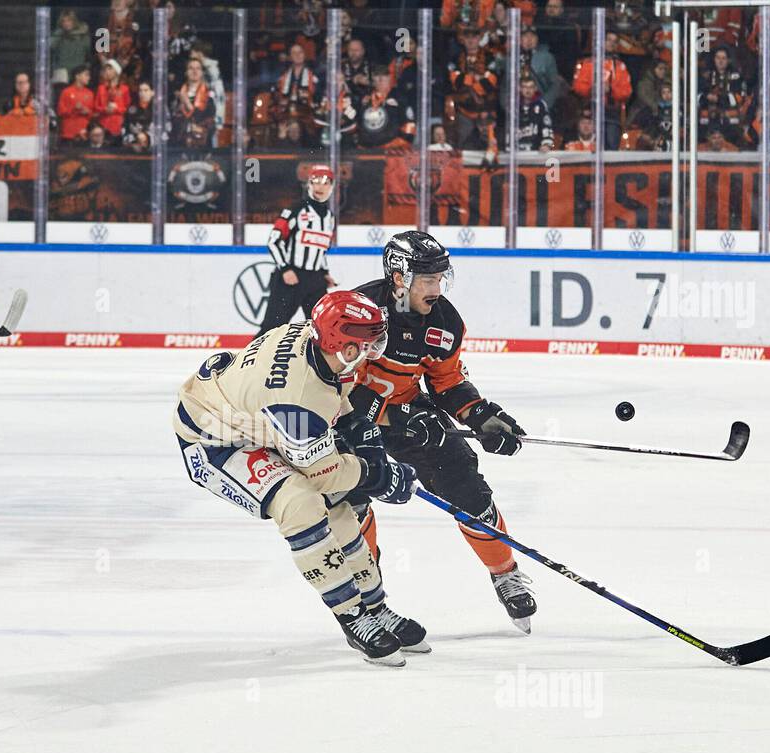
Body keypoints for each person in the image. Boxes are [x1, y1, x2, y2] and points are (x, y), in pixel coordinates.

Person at [172, 290, 424, 665]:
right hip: (214, 440)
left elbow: (334, 395)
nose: (373, 352)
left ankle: (374, 606)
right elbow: (326, 476)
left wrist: (359, 428)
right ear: (343, 346)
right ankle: (351, 615)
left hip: (255, 418)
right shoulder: (296, 402)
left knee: (340, 507)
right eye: (366, 345)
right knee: (303, 503)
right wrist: (379, 476)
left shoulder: (314, 342)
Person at [349, 231, 537, 634]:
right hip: (346, 422)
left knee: (466, 484)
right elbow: (338, 390)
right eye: (427, 280)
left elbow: (446, 381)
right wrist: (396, 420)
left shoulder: (445, 321)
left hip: (406, 410)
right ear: (399, 278)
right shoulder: (361, 312)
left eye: (440, 278)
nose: (437, 288)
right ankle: (365, 597)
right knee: (350, 501)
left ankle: (503, 572)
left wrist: (481, 415)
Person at [259, 164, 337, 335]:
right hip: (291, 278)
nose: (320, 187)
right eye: (316, 181)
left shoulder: (330, 217)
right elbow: (273, 241)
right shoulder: (295, 210)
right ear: (308, 184)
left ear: (332, 187)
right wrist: (285, 269)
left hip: (315, 281)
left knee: (322, 328)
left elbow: (320, 248)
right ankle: (249, 361)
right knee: (272, 328)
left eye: (325, 183)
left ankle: (315, 362)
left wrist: (324, 272)